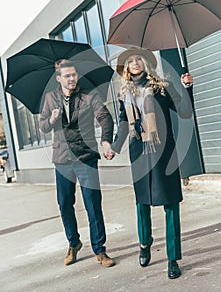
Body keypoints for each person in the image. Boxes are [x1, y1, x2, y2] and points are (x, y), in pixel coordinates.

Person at [107, 48, 193, 279]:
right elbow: (124, 125)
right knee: (141, 202)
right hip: (139, 153)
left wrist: (187, 88)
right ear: (126, 68)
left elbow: (184, 112)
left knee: (171, 203)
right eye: (130, 61)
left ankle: (173, 258)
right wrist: (114, 148)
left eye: (138, 59)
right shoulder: (124, 94)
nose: (134, 63)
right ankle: (145, 243)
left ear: (145, 63)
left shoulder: (162, 87)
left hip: (164, 152)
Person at [39, 59, 115, 268]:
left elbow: (104, 117)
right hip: (62, 159)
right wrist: (52, 120)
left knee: (93, 204)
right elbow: (42, 127)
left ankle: (100, 250)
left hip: (85, 157)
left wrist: (106, 141)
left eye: (74, 75)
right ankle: (73, 243)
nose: (72, 78)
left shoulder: (89, 95)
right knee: (64, 204)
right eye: (67, 76)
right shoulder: (49, 98)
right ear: (58, 78)